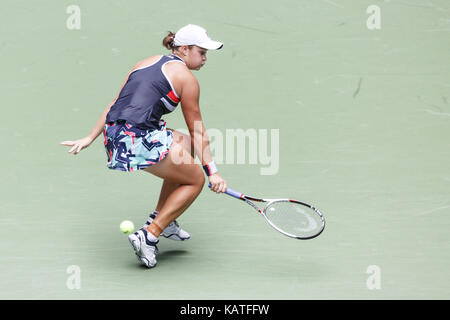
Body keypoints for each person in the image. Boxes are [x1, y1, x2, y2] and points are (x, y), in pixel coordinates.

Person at [60, 24, 227, 268]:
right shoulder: (187, 79)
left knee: (185, 144)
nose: (204, 59)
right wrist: (213, 173)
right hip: (135, 141)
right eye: (201, 52)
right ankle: (149, 235)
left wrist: (91, 137)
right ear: (184, 49)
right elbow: (198, 128)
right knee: (195, 180)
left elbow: (116, 104)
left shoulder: (147, 61)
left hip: (115, 134)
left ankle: (164, 218)